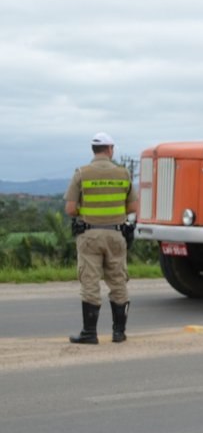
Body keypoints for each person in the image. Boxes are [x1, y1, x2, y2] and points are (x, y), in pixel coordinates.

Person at [64, 132, 139, 344]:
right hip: (116, 234)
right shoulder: (123, 174)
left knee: (90, 281)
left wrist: (86, 211)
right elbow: (133, 207)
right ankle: (119, 332)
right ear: (110, 149)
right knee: (117, 281)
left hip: (90, 235)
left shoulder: (81, 173)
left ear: (93, 150)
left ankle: (89, 333)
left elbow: (70, 208)